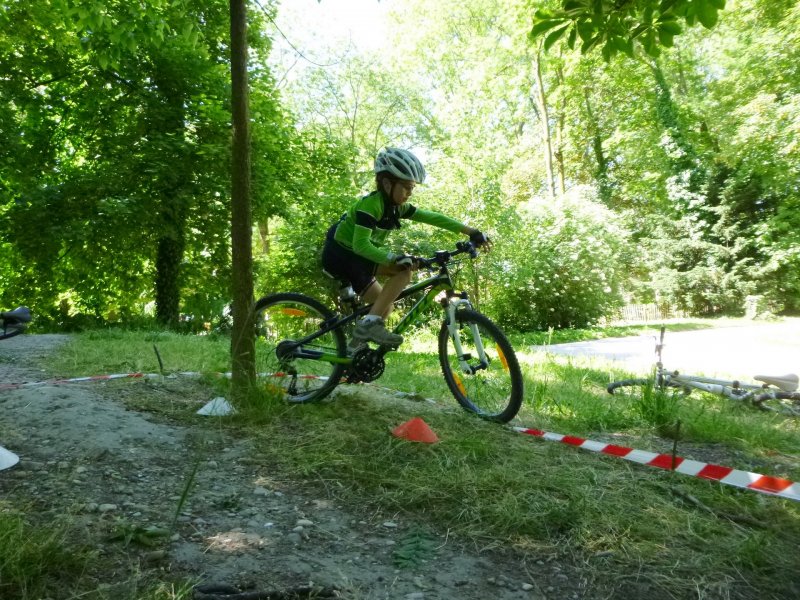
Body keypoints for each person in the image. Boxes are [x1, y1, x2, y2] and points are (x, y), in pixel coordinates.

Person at [321, 147, 491, 350]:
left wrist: (471, 231)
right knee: (403, 273)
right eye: (406, 187)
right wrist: (393, 258)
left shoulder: (395, 208)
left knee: (384, 306)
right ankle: (367, 326)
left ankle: (352, 354)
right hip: (341, 254)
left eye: (412, 188)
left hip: (354, 256)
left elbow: (433, 217)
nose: (410, 193)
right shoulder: (371, 206)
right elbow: (360, 245)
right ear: (387, 183)